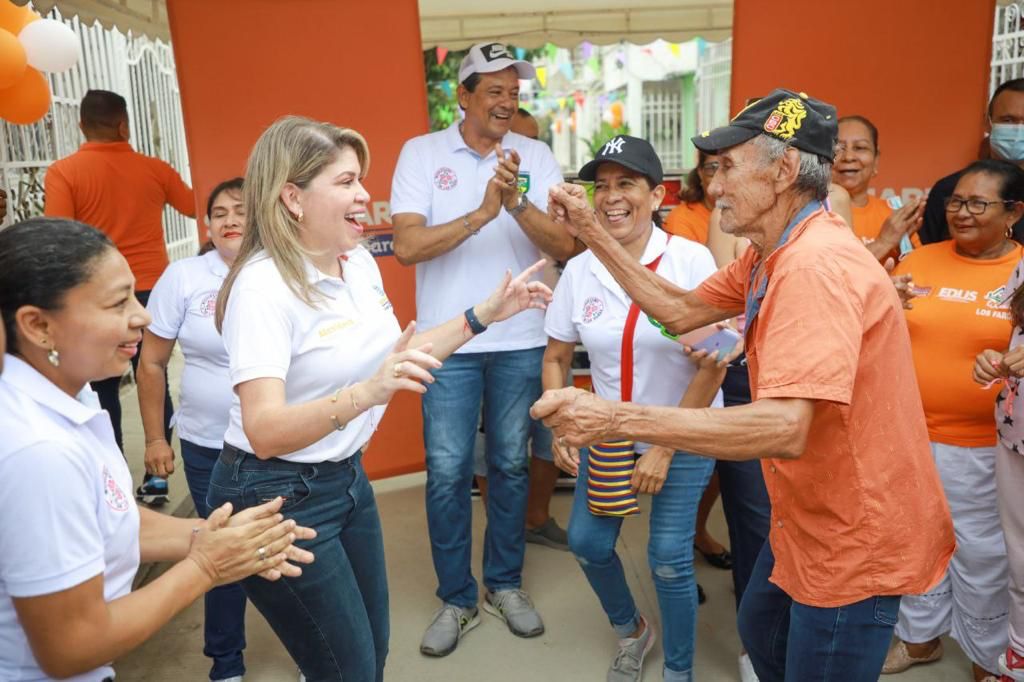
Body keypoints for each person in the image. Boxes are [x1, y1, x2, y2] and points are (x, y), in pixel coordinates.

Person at [533, 88, 957, 682]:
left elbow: (784, 427)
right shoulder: (771, 251)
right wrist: (592, 232)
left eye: (727, 167)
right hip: (805, 518)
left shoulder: (813, 266)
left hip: (853, 537)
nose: (712, 185)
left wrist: (613, 418)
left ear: (784, 170)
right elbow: (678, 311)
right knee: (762, 634)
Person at [208, 115, 551, 680]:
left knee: (374, 651)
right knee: (348, 670)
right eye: (346, 183)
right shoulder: (262, 287)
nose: (366, 195)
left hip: (343, 478)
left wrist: (485, 314)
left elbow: (402, 354)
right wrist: (366, 393)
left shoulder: (358, 263)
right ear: (292, 197)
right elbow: (264, 430)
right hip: (273, 496)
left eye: (360, 180)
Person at [0, 218, 314, 682]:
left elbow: (109, 518)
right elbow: (71, 647)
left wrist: (206, 535)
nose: (142, 316)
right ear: (39, 326)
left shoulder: (75, 396)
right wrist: (207, 565)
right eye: (117, 302)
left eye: (133, 294)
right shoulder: (38, 452)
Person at [391, 42, 577, 657]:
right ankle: (456, 596)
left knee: (512, 465)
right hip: (448, 340)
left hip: (520, 337)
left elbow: (567, 246)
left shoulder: (535, 156)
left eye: (514, 92)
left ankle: (503, 584)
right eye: (493, 90)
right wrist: (481, 212)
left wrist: (517, 202)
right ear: (463, 96)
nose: (506, 101)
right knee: (446, 471)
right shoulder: (421, 154)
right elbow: (409, 246)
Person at [543, 135, 725, 682]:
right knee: (587, 543)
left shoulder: (692, 260)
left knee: (669, 559)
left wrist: (665, 448)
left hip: (684, 429)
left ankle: (678, 669)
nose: (611, 196)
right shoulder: (580, 271)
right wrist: (560, 423)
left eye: (627, 184)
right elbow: (555, 357)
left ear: (656, 194)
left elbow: (714, 360)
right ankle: (632, 629)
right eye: (601, 186)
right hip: (609, 433)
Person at [882, 159, 1022, 682]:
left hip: (984, 446)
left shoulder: (1022, 272)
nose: (962, 212)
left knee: (982, 554)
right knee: (914, 542)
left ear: (1014, 212)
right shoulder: (922, 260)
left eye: (978, 203)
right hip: (909, 436)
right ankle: (920, 640)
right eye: (956, 202)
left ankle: (991, 656)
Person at [43, 89, 196, 506]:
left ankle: (111, 481)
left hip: (98, 293)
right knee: (153, 373)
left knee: (102, 385)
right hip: (151, 289)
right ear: (124, 125)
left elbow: (58, 236)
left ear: (81, 126)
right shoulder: (154, 169)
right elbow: (194, 205)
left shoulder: (64, 172)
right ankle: (158, 476)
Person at [136, 178, 249, 682]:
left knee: (294, 547)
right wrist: (157, 438)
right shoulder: (184, 276)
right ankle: (226, 663)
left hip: (284, 442)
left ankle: (314, 656)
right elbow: (151, 363)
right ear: (206, 225)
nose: (228, 220)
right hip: (208, 444)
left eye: (240, 211)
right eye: (218, 213)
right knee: (219, 546)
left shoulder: (286, 271)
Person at [471, 104, 569, 552]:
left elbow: (565, 245)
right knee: (493, 448)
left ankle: (536, 517)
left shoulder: (547, 182)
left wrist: (520, 203)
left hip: (542, 331)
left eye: (527, 141)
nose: (519, 149)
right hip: (483, 340)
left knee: (550, 433)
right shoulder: (476, 179)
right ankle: (504, 525)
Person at [921, 78, 1024, 245]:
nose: (1019, 129)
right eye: (1008, 120)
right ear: (987, 123)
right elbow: (929, 255)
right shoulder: (949, 188)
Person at [831, 115, 925, 261]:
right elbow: (833, 271)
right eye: (838, 148)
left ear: (876, 160)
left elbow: (916, 272)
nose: (848, 157)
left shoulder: (894, 216)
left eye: (860, 147)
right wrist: (884, 242)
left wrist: (905, 247)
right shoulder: (810, 214)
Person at [663, 150, 721, 245]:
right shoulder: (681, 219)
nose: (721, 177)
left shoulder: (747, 213)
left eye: (729, 167)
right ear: (700, 173)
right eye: (713, 168)